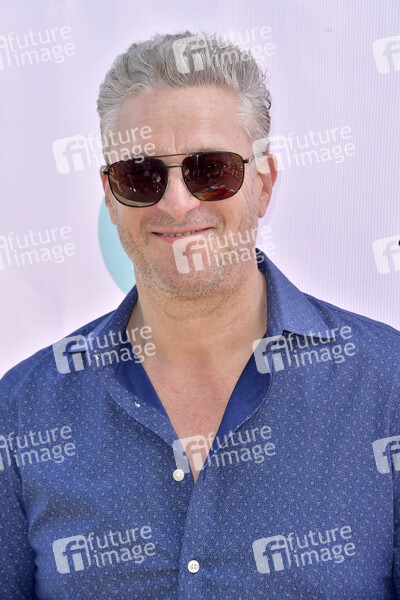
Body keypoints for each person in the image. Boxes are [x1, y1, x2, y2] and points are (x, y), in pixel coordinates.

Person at [0, 30, 399, 600]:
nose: (177, 202)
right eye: (141, 175)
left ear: (263, 185)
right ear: (110, 197)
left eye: (210, 170)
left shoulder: (386, 387)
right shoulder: (23, 412)